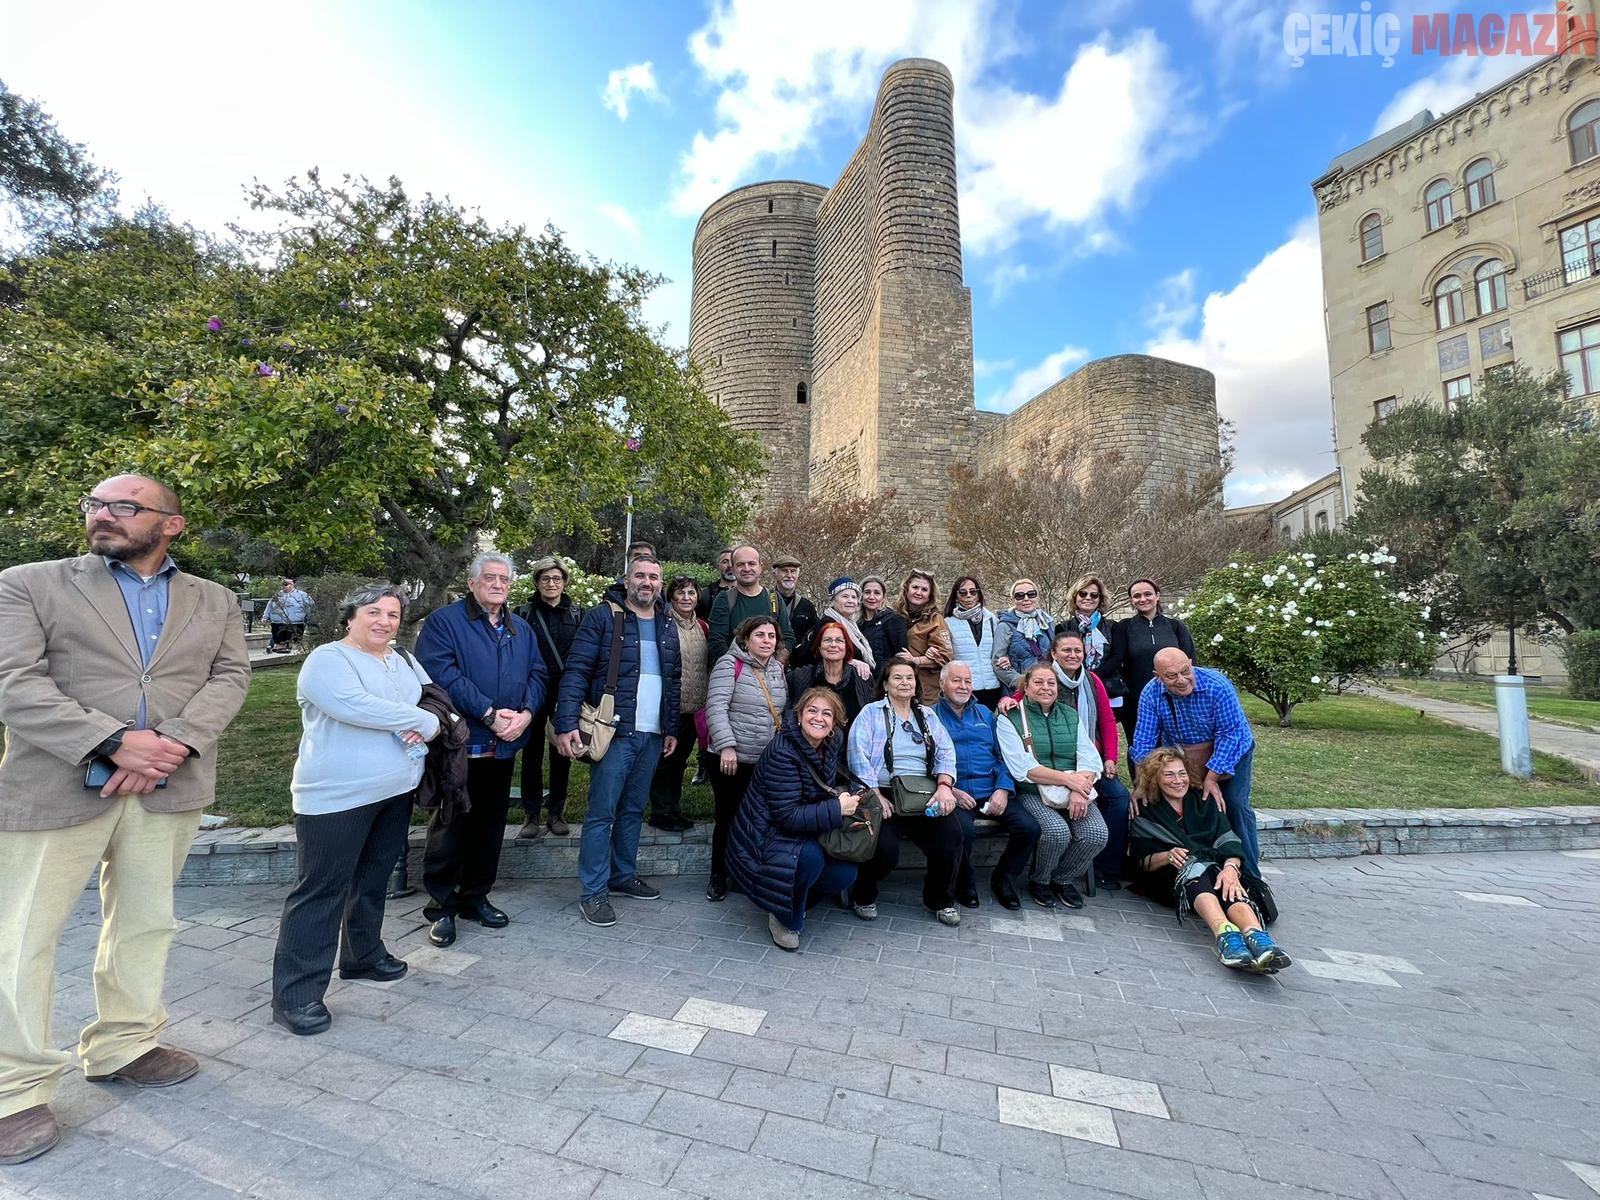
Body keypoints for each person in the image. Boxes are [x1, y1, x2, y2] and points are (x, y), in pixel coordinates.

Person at [0, 475, 250, 1165]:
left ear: (171, 524)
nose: (103, 515)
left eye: (124, 507)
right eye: (95, 504)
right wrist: (112, 740)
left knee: (146, 922)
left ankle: (124, 1044)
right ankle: (13, 1091)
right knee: (22, 938)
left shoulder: (216, 600)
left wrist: (167, 745)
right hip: (54, 786)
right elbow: (12, 683)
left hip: (168, 784)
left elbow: (229, 678)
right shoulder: (29, 583)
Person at [271, 585, 440, 1036]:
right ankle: (297, 996)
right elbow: (355, 706)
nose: (384, 621)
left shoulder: (400, 657)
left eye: (393, 613)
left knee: (372, 880)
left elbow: (424, 694)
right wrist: (420, 722)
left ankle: (363, 956)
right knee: (321, 891)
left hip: (394, 788)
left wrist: (418, 717)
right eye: (373, 612)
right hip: (337, 796)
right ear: (350, 617)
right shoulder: (328, 660)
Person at [415, 553, 547, 949]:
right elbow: (441, 675)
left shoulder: (520, 628)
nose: (497, 584)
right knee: (452, 822)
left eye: (504, 579)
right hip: (460, 744)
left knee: (490, 823)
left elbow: (539, 673)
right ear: (471, 583)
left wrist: (525, 714)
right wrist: (488, 713)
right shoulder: (445, 622)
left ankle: (476, 897)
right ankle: (441, 907)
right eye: (489, 577)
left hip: (503, 745)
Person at [554, 556, 680, 928]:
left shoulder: (665, 622)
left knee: (632, 810)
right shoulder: (603, 617)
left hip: (652, 734)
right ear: (626, 581)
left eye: (654, 577)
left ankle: (622, 875)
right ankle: (593, 892)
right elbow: (576, 670)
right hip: (613, 730)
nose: (647, 582)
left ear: (660, 583)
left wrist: (670, 727)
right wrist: (565, 723)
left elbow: (672, 681)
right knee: (601, 814)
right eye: (640, 575)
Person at [1128, 748, 1290, 973]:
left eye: (1181, 773)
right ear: (1155, 778)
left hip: (1215, 872)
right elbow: (1140, 862)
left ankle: (1257, 937)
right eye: (1169, 775)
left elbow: (1228, 840)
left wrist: (1232, 869)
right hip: (1170, 879)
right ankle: (1225, 936)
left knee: (1223, 877)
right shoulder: (1146, 809)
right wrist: (1167, 856)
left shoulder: (1203, 799)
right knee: (1193, 868)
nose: (1178, 781)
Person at [727, 689, 864, 951]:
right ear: (799, 716)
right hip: (765, 835)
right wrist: (837, 808)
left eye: (827, 714)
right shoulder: (783, 752)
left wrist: (848, 793)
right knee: (810, 858)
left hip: (803, 825)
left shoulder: (831, 742)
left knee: (845, 873)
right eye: (812, 710)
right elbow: (787, 816)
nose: (819, 718)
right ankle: (782, 916)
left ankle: (791, 899)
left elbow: (826, 783)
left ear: (834, 722)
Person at [846, 655, 965, 926]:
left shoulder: (927, 715)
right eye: (897, 677)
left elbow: (946, 752)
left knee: (951, 836)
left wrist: (945, 786)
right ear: (885, 684)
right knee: (884, 848)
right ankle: (862, 894)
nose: (904, 682)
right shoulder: (871, 713)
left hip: (924, 791)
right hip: (883, 791)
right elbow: (857, 755)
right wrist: (874, 794)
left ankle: (939, 899)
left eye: (909, 677)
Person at [1130, 649, 1261, 876]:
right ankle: (1201, 867)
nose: (1181, 680)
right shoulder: (1151, 693)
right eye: (1172, 676)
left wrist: (1212, 777)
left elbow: (1229, 734)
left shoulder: (1217, 686)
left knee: (1234, 804)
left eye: (1185, 671)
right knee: (1191, 807)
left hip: (1231, 751)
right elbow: (1143, 741)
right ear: (1157, 676)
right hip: (1185, 757)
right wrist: (1141, 784)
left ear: (1191, 663)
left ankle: (1250, 873)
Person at [995, 664, 1109, 909]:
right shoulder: (1010, 718)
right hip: (1034, 791)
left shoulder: (1069, 714)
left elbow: (1089, 757)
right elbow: (1022, 768)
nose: (1045, 687)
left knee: (1097, 834)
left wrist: (1079, 789)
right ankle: (1041, 879)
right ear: (1025, 687)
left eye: (1051, 683)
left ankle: (1063, 878)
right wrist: (1069, 781)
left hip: (1076, 788)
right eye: (1038, 682)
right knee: (1056, 832)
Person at [934, 663, 1039, 911]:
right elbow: (927, 762)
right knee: (962, 832)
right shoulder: (931, 716)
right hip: (956, 792)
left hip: (991, 790)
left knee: (1029, 828)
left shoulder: (985, 714)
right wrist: (950, 789)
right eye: (956, 680)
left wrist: (1002, 789)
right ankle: (964, 882)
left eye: (967, 681)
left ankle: (1003, 879)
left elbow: (1004, 757)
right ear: (942, 684)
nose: (963, 686)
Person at [704, 615, 788, 901]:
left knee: (755, 819)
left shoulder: (777, 668)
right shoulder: (729, 664)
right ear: (746, 639)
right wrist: (727, 746)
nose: (767, 641)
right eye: (760, 635)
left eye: (771, 636)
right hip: (732, 760)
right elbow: (715, 706)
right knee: (727, 817)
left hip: (764, 760)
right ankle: (718, 875)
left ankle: (742, 872)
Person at [1047, 630, 1131, 891]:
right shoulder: (1044, 679)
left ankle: (1106, 866)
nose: (1073, 655)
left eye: (1077, 651)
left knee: (1118, 797)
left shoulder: (1092, 681)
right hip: (1054, 761)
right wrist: (1007, 700)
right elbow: (1018, 703)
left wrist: (1109, 758)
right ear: (1053, 654)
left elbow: (1106, 721)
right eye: (1066, 651)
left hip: (1089, 760)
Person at [516, 556, 577, 838]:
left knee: (560, 752)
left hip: (564, 691)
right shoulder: (522, 614)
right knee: (531, 754)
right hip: (532, 689)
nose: (551, 584)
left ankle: (556, 812)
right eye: (545, 579)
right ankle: (531, 815)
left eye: (556, 579)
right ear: (537, 583)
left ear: (564, 583)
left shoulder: (577, 614)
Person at [647, 576, 706, 833]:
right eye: (680, 593)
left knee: (681, 760)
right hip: (670, 706)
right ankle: (660, 812)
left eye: (691, 593)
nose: (686, 598)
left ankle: (673, 809)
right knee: (665, 761)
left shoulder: (702, 627)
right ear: (671, 597)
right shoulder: (664, 626)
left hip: (694, 707)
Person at [1110, 578, 1195, 749]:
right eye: (1137, 596)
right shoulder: (1124, 627)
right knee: (1141, 748)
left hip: (1173, 697)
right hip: (1136, 701)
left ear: (1157, 596)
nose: (1143, 599)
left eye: (1147, 594)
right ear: (1131, 601)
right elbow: (1116, 661)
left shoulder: (1175, 627)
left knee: (1174, 749)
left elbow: (1191, 662)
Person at [707, 544, 794, 663]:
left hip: (769, 674)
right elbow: (716, 641)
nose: (747, 569)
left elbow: (787, 636)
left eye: (752, 563)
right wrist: (740, 670)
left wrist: (775, 664)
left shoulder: (774, 598)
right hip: (735, 675)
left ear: (760, 567)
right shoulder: (725, 599)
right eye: (740, 564)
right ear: (733, 569)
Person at [786, 620, 872, 727]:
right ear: (819, 647)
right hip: (813, 741)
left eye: (839, 640)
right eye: (827, 640)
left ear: (847, 647)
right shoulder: (800, 676)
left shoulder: (861, 676)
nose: (833, 644)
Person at [1057, 574, 1123, 712]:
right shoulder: (1063, 628)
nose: (1088, 598)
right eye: (1083, 594)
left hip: (1106, 686)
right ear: (1075, 597)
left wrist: (1095, 676)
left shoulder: (1113, 627)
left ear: (1100, 599)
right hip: (1073, 686)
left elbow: (1117, 657)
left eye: (1094, 595)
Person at [942, 576, 1005, 709]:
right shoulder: (948, 623)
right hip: (965, 687)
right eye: (963, 592)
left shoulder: (991, 619)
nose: (968, 596)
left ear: (978, 594)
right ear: (956, 596)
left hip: (992, 685)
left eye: (973, 591)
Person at [896, 570, 952, 705]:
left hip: (927, 691)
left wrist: (916, 660)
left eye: (924, 589)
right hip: (899, 687)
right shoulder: (895, 615)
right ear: (906, 589)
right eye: (915, 587)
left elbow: (945, 656)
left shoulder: (935, 620)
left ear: (930, 595)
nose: (919, 592)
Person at [995, 578, 1054, 690]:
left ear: (1037, 597)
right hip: (1021, 689)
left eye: (1031, 594)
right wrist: (1021, 682)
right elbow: (998, 663)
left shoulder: (1047, 622)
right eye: (1020, 595)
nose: (1026, 599)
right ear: (1013, 600)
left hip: (1048, 686)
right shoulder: (1005, 626)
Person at [771, 554, 818, 653]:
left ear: (798, 575)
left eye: (793, 571)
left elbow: (816, 634)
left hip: (798, 663)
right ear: (775, 574)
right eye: (784, 571)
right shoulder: (765, 600)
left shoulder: (807, 606)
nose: (789, 575)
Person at [858, 575, 908, 666]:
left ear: (883, 597)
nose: (871, 597)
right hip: (862, 677)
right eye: (867, 592)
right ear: (861, 596)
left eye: (877, 593)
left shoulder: (894, 620)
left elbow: (901, 656)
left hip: (885, 676)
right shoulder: (857, 625)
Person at [262, 576, 314, 653]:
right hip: (278, 624)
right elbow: (269, 606)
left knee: (294, 645)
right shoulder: (277, 595)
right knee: (279, 645)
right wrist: (265, 617)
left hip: (296, 623)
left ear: (292, 584)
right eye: (283, 584)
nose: (284, 586)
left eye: (286, 584)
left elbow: (311, 605)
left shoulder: (302, 595)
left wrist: (309, 617)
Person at [697, 547, 734, 620]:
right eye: (725, 562)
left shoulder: (747, 592)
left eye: (733, 561)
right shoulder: (705, 594)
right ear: (717, 567)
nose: (730, 565)